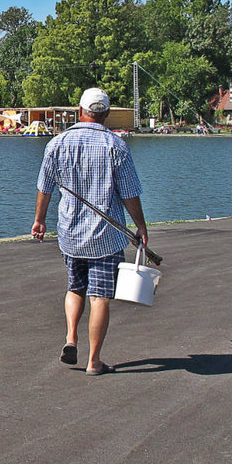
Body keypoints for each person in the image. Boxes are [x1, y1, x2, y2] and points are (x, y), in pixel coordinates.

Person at [31, 88, 148, 376]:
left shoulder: (57, 144)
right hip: (105, 236)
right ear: (106, 114)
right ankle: (94, 361)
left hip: (70, 232)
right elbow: (129, 193)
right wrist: (141, 225)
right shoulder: (116, 145)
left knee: (74, 287)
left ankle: (71, 337)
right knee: (100, 298)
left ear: (79, 110)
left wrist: (39, 220)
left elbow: (44, 187)